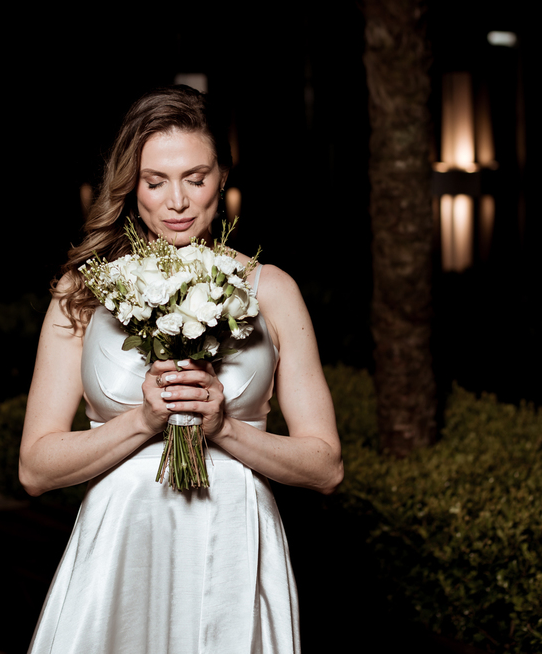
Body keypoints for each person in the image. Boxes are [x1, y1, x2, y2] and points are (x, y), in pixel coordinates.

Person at [20, 85, 343, 653]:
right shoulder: (82, 292)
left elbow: (326, 467)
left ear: (223, 178)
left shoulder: (274, 291)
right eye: (156, 181)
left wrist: (223, 429)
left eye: (196, 178)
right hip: (120, 545)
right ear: (131, 187)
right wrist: (143, 421)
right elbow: (35, 468)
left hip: (234, 543)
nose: (178, 202)